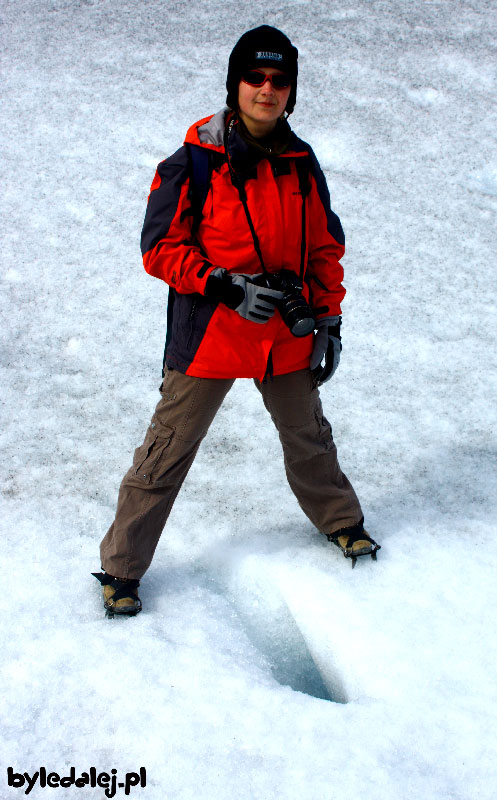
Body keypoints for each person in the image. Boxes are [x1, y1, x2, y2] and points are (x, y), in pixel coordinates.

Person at [93, 25, 380, 616]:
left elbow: (325, 249)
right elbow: (160, 249)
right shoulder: (195, 161)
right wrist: (222, 285)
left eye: (279, 81)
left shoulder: (302, 163)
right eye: (255, 78)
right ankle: (121, 570)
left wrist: (329, 319)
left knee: (309, 438)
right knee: (166, 450)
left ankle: (342, 522)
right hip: (211, 334)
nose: (266, 90)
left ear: (291, 93)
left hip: (285, 334)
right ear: (235, 86)